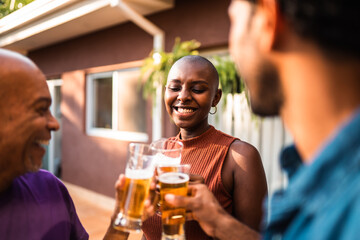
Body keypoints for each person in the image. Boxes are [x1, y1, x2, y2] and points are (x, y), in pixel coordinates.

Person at [163, 0, 360, 239]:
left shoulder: (346, 203)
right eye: (175, 87)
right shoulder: (321, 186)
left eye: (233, 20)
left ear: (268, 18)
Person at [140, 55, 268, 240]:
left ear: (216, 97)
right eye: (175, 88)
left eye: (198, 89)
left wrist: (214, 217)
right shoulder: (158, 151)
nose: (183, 96)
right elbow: (148, 232)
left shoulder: (239, 157)